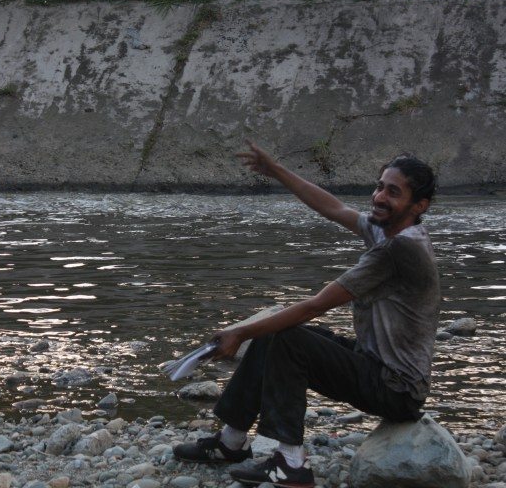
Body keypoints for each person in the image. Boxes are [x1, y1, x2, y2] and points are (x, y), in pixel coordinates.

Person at [172, 140, 440, 488]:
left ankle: (291, 464)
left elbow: (315, 306)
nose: (379, 197)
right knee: (272, 333)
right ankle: (230, 443)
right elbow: (334, 208)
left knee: (291, 340)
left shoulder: (398, 248)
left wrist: (239, 333)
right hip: (376, 364)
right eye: (379, 187)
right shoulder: (389, 227)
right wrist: (276, 170)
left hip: (396, 388)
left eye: (393, 192)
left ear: (419, 205)